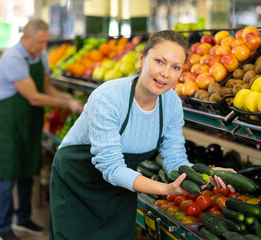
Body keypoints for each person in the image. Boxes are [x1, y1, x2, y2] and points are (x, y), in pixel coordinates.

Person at [49, 30, 234, 240]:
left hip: (121, 188)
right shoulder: (108, 97)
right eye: (159, 61)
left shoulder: (171, 102)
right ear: (142, 58)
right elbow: (111, 167)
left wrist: (206, 173)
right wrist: (166, 188)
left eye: (175, 67)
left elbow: (174, 160)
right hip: (77, 182)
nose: (165, 73)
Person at [0, 18, 83, 240]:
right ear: (26, 38)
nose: (44, 47)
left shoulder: (40, 54)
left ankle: (23, 218)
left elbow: (46, 87)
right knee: (8, 175)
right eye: (40, 42)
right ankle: (4, 226)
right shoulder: (12, 59)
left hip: (30, 121)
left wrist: (68, 96)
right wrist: (68, 104)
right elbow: (33, 96)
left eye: (46, 42)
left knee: (27, 171)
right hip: (9, 123)